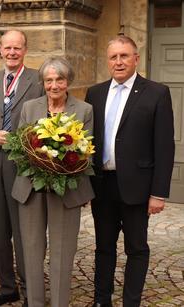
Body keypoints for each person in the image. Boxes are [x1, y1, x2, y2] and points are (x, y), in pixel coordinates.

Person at [85, 35, 174, 307]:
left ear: (136, 58)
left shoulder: (157, 92)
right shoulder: (95, 93)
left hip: (137, 187)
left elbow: (164, 146)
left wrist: (158, 193)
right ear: (108, 61)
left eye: (124, 56)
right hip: (103, 185)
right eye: (113, 57)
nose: (119, 61)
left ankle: (131, 302)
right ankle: (102, 300)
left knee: (136, 248)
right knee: (103, 248)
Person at [11, 57, 95, 307]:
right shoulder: (29, 107)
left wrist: (62, 167)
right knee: (32, 251)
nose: (54, 85)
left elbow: (87, 154)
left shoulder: (84, 110)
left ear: (68, 81)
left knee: (62, 252)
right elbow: (20, 147)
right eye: (49, 80)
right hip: (30, 188)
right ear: (43, 83)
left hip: (66, 190)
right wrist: (39, 165)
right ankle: (34, 303)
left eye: (60, 79)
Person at [0, 29, 44, 307]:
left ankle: (30, 289)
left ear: (25, 50)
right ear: (0, 50)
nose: (12, 53)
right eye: (7, 48)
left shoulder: (37, 80)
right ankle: (7, 287)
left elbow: (46, 119)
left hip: (24, 165)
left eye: (17, 48)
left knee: (26, 231)